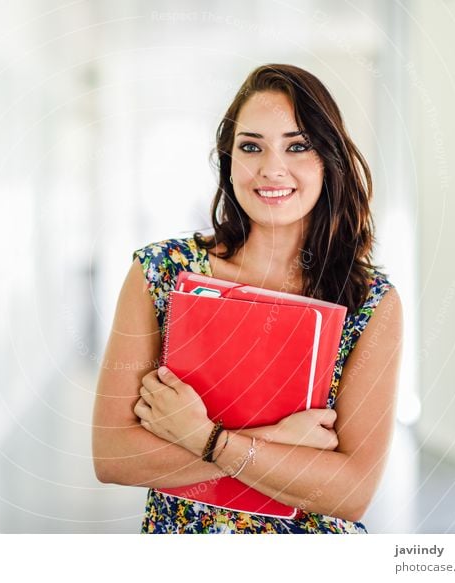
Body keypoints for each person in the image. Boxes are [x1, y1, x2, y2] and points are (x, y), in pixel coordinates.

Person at [92, 64, 403, 534]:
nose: (271, 168)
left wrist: (204, 438)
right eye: (251, 146)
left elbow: (351, 492)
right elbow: (113, 456)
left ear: (329, 161)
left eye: (297, 146)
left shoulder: (370, 302)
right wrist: (277, 441)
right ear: (228, 160)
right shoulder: (160, 273)